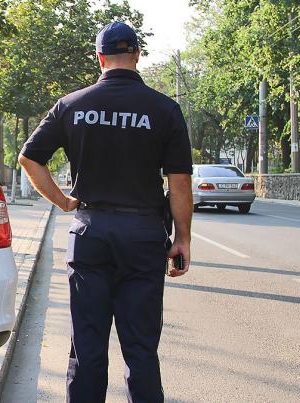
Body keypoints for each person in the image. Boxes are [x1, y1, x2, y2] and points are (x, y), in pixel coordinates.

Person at [18, 21, 193, 403]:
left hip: (90, 234)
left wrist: (63, 201)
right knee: (141, 350)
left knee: (87, 348)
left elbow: (29, 159)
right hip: (143, 237)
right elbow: (179, 183)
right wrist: (182, 238)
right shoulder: (164, 109)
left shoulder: (72, 105)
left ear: (100, 58)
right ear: (137, 55)